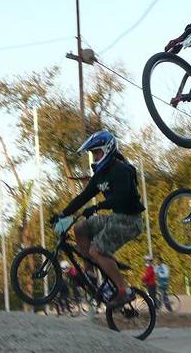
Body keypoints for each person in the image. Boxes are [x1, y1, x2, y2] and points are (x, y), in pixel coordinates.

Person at [50, 130, 145, 309]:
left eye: (97, 153)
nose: (94, 158)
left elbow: (123, 197)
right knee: (80, 228)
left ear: (107, 150)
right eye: (93, 154)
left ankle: (124, 290)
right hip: (116, 218)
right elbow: (83, 197)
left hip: (131, 221)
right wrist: (62, 214)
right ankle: (91, 273)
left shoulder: (121, 170)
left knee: (96, 250)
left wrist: (98, 207)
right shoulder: (100, 176)